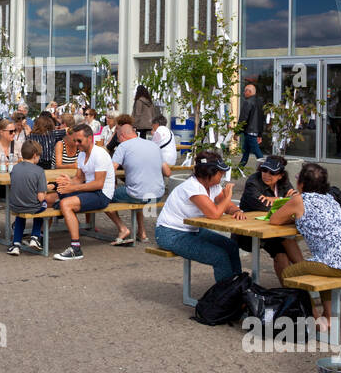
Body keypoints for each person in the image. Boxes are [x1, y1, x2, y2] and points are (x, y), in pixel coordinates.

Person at [270, 162, 341, 330]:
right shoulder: (331, 199)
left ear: (301, 183)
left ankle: (315, 319)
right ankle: (328, 316)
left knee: (288, 274)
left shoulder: (299, 199)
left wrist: (293, 214)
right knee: (320, 268)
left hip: (337, 262)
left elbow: (275, 220)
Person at [153, 152, 246, 286]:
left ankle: (239, 288)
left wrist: (236, 210)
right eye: (220, 173)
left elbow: (226, 206)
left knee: (231, 246)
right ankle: (227, 296)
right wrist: (228, 197)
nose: (223, 176)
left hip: (193, 231)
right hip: (170, 234)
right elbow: (214, 214)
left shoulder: (213, 186)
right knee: (218, 256)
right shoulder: (192, 187)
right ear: (209, 173)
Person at [51, 123, 116, 261]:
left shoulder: (100, 154)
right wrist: (66, 183)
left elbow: (99, 184)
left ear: (90, 138)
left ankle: (76, 248)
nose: (76, 144)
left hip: (102, 194)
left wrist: (72, 188)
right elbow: (79, 179)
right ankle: (38, 235)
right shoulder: (82, 154)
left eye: (79, 141)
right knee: (49, 197)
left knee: (66, 204)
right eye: (74, 140)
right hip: (89, 190)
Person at [235, 155, 304, 281]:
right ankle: (293, 290)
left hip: (275, 229)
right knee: (282, 251)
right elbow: (263, 206)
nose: (267, 175)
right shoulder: (253, 182)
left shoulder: (284, 183)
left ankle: (302, 283)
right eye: (264, 170)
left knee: (286, 245)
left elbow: (296, 201)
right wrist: (285, 202)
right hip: (249, 233)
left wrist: (278, 199)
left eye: (272, 172)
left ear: (280, 175)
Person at [109, 114, 168, 245]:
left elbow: (110, 171)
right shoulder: (153, 145)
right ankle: (142, 232)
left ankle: (122, 228)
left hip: (139, 194)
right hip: (157, 194)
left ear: (121, 136)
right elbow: (167, 172)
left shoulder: (123, 147)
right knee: (137, 189)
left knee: (105, 197)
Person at [7, 139, 50, 255]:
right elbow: (41, 197)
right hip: (32, 206)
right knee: (42, 206)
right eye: (39, 156)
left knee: (20, 216)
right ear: (35, 155)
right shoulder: (39, 171)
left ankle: (16, 244)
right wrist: (46, 189)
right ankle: (35, 237)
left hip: (15, 205)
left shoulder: (15, 168)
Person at [237, 83, 266, 165]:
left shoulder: (247, 102)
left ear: (248, 91)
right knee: (245, 152)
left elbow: (243, 118)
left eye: (245, 91)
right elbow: (261, 119)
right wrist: (260, 134)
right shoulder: (260, 102)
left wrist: (237, 132)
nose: (244, 93)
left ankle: (265, 168)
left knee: (258, 154)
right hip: (254, 132)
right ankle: (240, 168)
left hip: (250, 132)